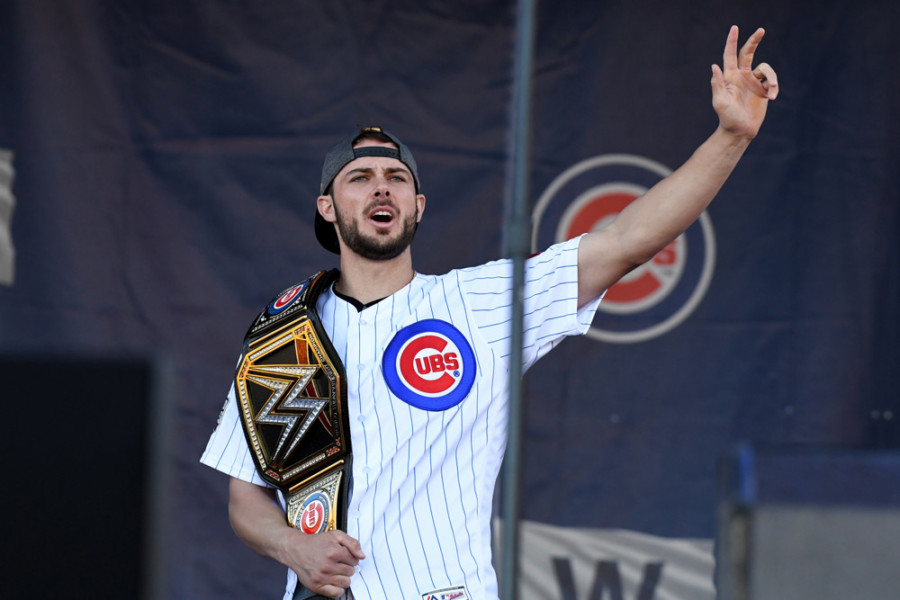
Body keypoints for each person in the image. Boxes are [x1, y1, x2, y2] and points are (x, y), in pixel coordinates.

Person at [201, 25, 778, 600]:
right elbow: (245, 496)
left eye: (397, 179)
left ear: (418, 206)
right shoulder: (283, 333)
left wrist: (731, 136)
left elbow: (626, 240)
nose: (382, 189)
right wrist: (291, 546)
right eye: (360, 178)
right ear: (327, 207)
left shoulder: (480, 302)